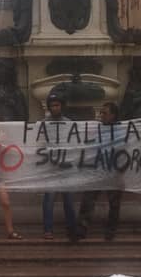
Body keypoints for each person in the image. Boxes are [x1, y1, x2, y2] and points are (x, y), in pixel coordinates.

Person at [78, 102, 123, 241]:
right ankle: (81, 229)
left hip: (113, 171)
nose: (101, 116)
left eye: (104, 113)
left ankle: (110, 231)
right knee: (87, 200)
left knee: (114, 204)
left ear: (113, 115)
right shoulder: (96, 129)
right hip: (97, 171)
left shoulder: (122, 130)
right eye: (101, 113)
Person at [41, 93, 80, 241]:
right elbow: (41, 144)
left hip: (66, 167)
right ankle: (48, 229)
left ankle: (71, 228)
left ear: (62, 106)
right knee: (49, 199)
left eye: (57, 105)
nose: (55, 108)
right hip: (51, 167)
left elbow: (74, 143)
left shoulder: (69, 123)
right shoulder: (44, 124)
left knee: (68, 200)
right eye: (52, 105)